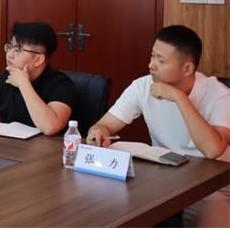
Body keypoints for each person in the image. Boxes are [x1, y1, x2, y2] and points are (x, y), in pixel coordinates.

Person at [87, 25, 229, 227]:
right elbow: (105, 125)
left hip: (212, 183)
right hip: (165, 176)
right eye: (152, 56)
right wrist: (98, 132)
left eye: (160, 60)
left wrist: (179, 98)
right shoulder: (142, 86)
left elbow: (213, 150)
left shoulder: (219, 95)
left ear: (187, 69)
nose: (151, 65)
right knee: (108, 205)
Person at [0, 22, 74, 135]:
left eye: (18, 50)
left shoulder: (61, 85)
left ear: (38, 59)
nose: (9, 54)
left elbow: (50, 127)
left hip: (49, 150)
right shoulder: (7, 79)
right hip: (10, 148)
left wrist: (24, 84)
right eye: (10, 47)